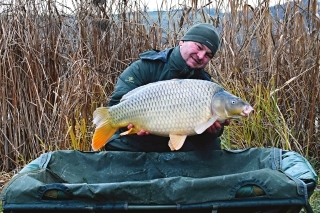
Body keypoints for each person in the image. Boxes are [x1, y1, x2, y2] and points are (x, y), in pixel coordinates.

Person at [106, 23, 230, 152]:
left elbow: (202, 136)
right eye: (199, 47)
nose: (200, 56)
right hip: (141, 142)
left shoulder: (205, 86)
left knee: (212, 147)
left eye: (208, 55)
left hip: (181, 145)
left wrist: (212, 131)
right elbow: (116, 103)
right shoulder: (144, 67)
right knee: (116, 143)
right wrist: (131, 127)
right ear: (182, 42)